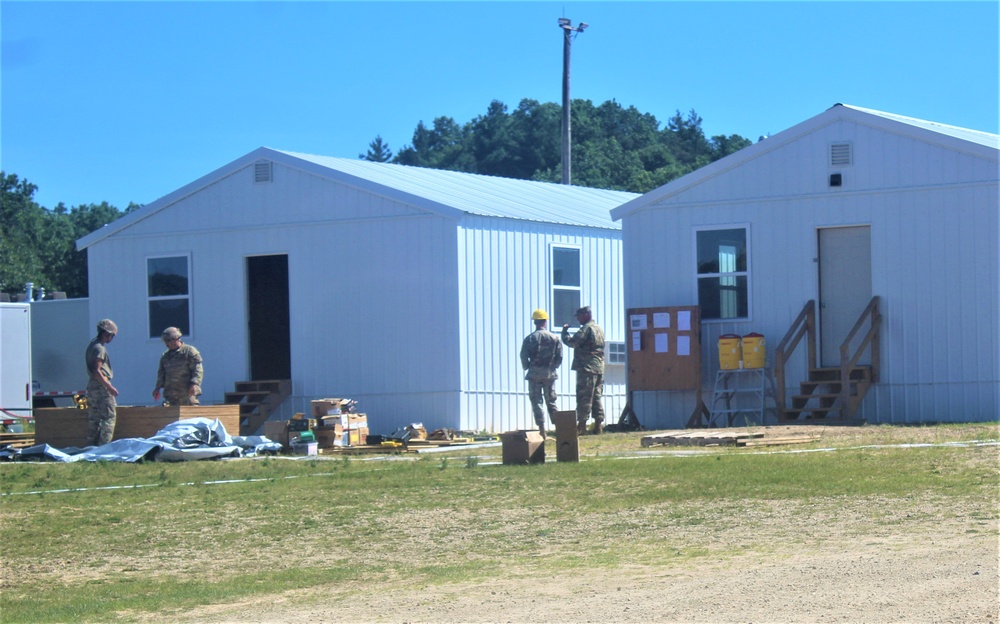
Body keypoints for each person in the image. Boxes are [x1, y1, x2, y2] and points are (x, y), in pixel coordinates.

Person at [561, 306, 606, 435]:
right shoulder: (599, 329)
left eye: (579, 316)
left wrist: (564, 332)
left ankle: (581, 426)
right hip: (599, 367)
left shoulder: (586, 329)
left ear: (586, 315)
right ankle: (598, 425)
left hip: (587, 367)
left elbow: (572, 342)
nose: (578, 319)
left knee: (584, 396)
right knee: (597, 396)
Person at [519, 308, 563, 439]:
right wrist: (553, 367)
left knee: (536, 402)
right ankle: (559, 429)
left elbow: (523, 356)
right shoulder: (554, 338)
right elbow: (559, 356)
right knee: (551, 401)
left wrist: (528, 367)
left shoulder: (530, 339)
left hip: (534, 375)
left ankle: (542, 430)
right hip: (549, 374)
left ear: (535, 322)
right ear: (545, 322)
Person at [85, 319, 119, 446]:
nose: (112, 338)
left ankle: (90, 447)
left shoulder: (92, 345)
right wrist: (109, 387)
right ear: (107, 334)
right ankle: (104, 448)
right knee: (109, 418)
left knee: (94, 418)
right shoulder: (99, 348)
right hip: (100, 386)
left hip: (92, 386)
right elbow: (97, 371)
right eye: (112, 336)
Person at [152, 327, 203, 406]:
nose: (167, 344)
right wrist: (157, 388)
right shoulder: (165, 356)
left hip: (187, 395)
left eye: (168, 340)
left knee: (190, 417)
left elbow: (197, 370)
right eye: (165, 341)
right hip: (171, 397)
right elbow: (161, 374)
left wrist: (194, 384)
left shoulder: (189, 352)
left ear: (176, 338)